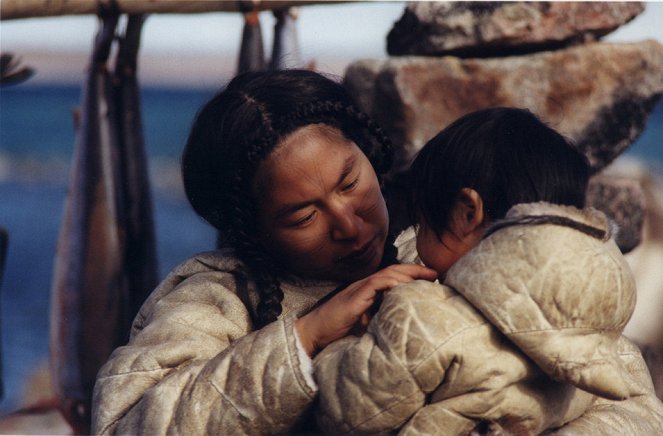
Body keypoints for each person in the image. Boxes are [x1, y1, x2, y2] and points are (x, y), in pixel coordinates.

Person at [91, 69, 437, 435]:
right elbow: (123, 426)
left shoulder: (438, 244)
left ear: (367, 152)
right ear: (255, 232)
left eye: (350, 182)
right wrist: (305, 337)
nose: (348, 226)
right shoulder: (216, 301)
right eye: (304, 217)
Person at [314, 107, 663, 434]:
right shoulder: (594, 323)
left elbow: (349, 411)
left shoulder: (422, 316)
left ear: (468, 212)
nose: (416, 237)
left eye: (421, 223)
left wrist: (340, 342)